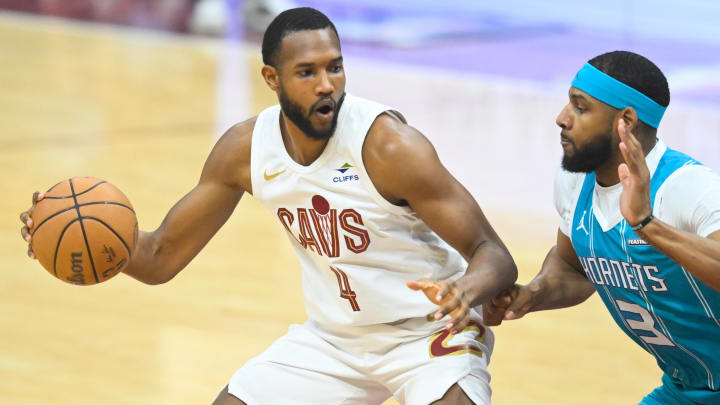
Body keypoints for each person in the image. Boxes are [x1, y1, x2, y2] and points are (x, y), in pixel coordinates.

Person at [20, 7, 517, 404]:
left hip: (428, 334)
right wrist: (63, 229)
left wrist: (464, 290)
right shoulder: (245, 150)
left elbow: (493, 253)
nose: (327, 85)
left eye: (335, 67)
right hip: (336, 339)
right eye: (307, 72)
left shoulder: (390, 148)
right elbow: (159, 259)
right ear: (271, 78)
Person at [483, 50, 720, 405]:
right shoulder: (574, 184)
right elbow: (572, 267)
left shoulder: (688, 187)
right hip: (687, 388)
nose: (561, 118)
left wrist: (646, 224)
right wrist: (533, 293)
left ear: (625, 119)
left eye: (580, 107)